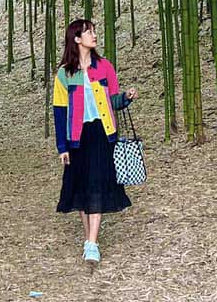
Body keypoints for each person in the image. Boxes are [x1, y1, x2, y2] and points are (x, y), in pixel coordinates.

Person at [53, 19, 138, 265]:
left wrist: (126, 97)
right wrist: (62, 147)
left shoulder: (105, 67)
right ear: (77, 38)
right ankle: (88, 238)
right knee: (81, 187)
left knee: (98, 183)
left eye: (94, 31)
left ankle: (92, 242)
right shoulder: (65, 74)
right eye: (89, 32)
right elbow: (59, 112)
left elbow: (113, 100)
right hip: (76, 137)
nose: (94, 35)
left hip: (102, 133)